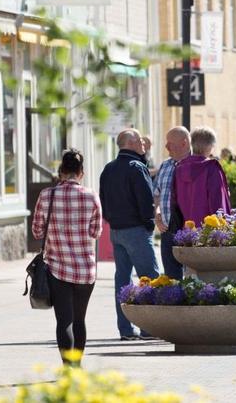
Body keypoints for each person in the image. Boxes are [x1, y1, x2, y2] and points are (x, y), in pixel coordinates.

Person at [31, 149, 102, 364]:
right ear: (81, 172)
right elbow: (95, 232)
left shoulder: (47, 195)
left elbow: (37, 232)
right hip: (85, 269)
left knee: (64, 320)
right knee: (80, 319)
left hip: (57, 268)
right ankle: (78, 365)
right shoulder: (91, 196)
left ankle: (68, 367)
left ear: (61, 171)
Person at [99, 129, 159, 340]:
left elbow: (103, 199)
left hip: (116, 231)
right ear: (131, 143)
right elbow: (145, 200)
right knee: (150, 279)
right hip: (136, 230)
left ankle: (125, 329)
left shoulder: (108, 168)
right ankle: (150, 327)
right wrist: (149, 225)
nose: (144, 143)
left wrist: (111, 220)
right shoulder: (137, 167)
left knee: (123, 280)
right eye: (141, 140)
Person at [153, 126, 191, 279]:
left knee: (192, 277)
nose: (166, 146)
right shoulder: (165, 165)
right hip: (168, 230)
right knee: (172, 278)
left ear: (184, 143)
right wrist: (157, 214)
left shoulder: (197, 165)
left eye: (170, 142)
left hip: (190, 232)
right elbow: (156, 194)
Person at [172, 126, 231, 223]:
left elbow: (174, 201)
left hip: (187, 230)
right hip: (207, 231)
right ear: (210, 146)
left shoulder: (179, 168)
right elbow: (218, 203)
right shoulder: (212, 168)